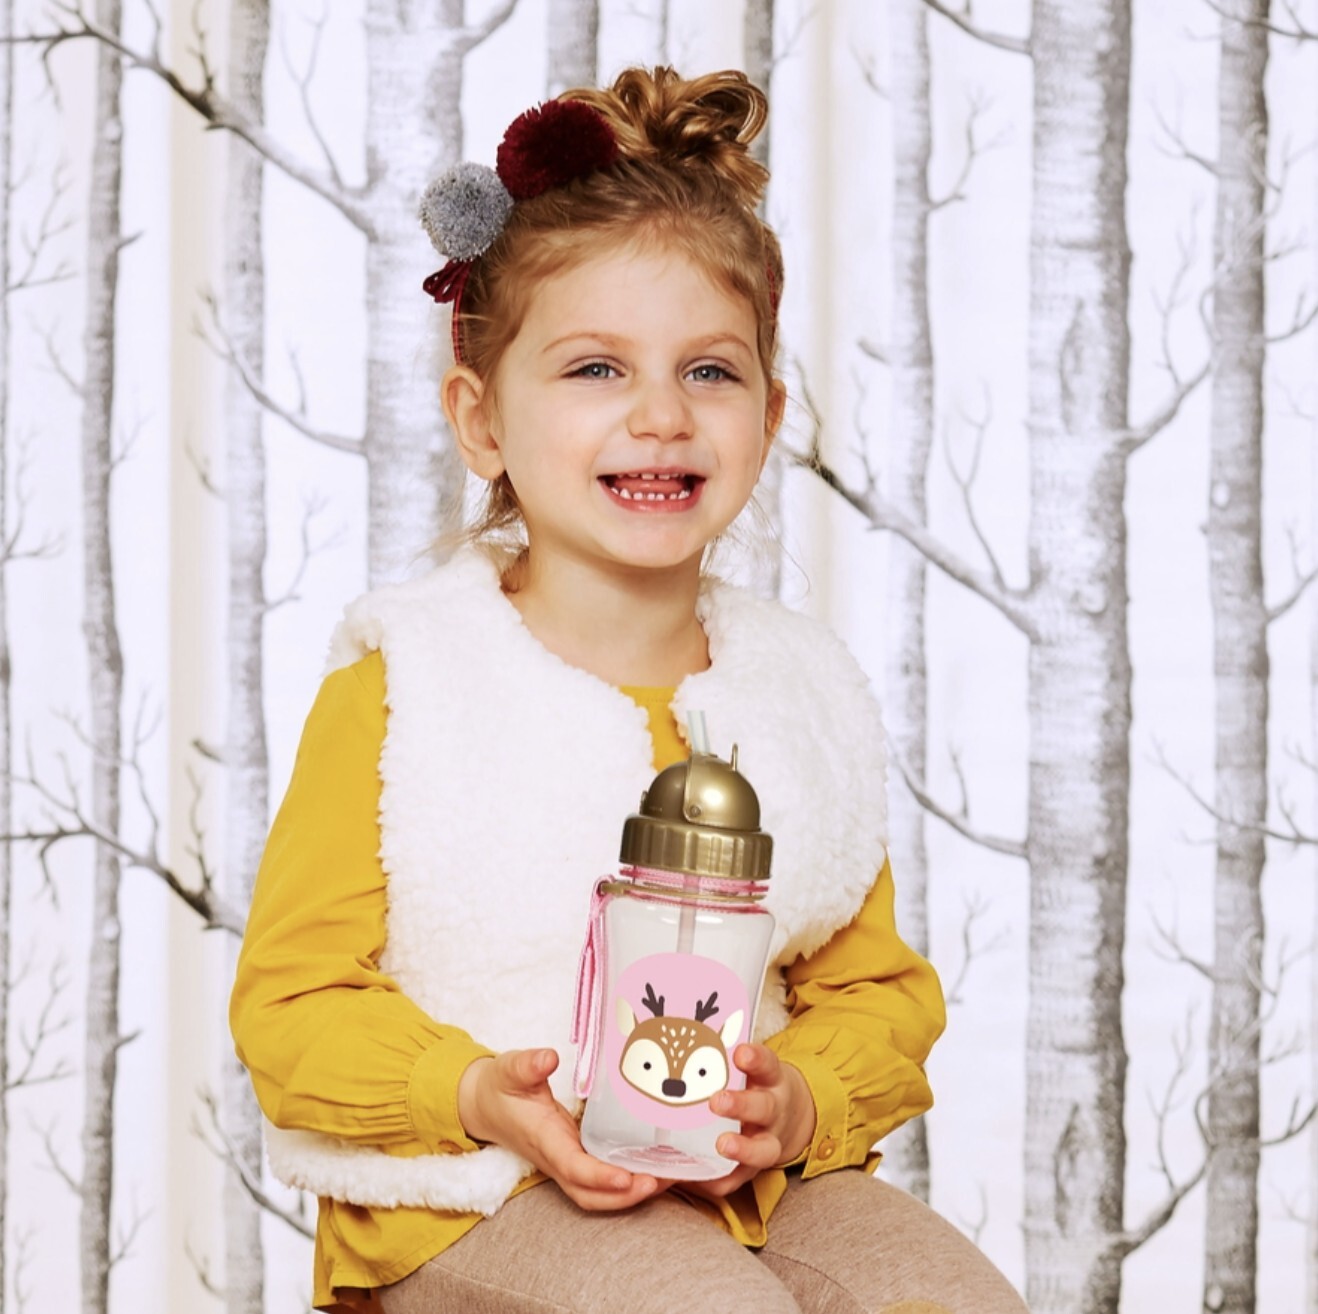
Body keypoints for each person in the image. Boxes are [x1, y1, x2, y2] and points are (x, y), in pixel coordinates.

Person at [230, 66, 1027, 1314]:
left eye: (708, 372)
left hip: (745, 1186)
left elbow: (871, 991)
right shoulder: (407, 684)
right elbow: (293, 1001)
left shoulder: (802, 691)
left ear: (767, 414)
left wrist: (802, 1098)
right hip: (473, 1195)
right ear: (481, 420)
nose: (660, 415)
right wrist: (470, 1091)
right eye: (596, 369)